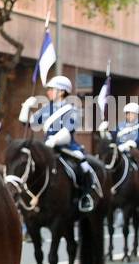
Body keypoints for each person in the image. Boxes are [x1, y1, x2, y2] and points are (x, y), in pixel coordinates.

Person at [20, 75, 98, 212]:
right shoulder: (46, 109)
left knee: (84, 166)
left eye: (52, 89)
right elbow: (28, 123)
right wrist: (26, 107)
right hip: (47, 148)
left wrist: (54, 140)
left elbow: (68, 131)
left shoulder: (72, 111)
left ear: (62, 92)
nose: (48, 92)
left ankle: (84, 196)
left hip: (67, 147)